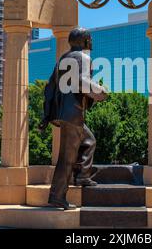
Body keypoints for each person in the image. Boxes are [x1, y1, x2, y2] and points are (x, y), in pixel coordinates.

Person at [39, 27, 108, 210]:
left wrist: (46, 115)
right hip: (74, 113)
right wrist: (101, 92)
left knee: (89, 140)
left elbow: (50, 88)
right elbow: (82, 82)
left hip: (64, 113)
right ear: (84, 40)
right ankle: (57, 196)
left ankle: (83, 175)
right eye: (89, 38)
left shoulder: (63, 59)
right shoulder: (83, 58)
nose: (91, 41)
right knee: (67, 158)